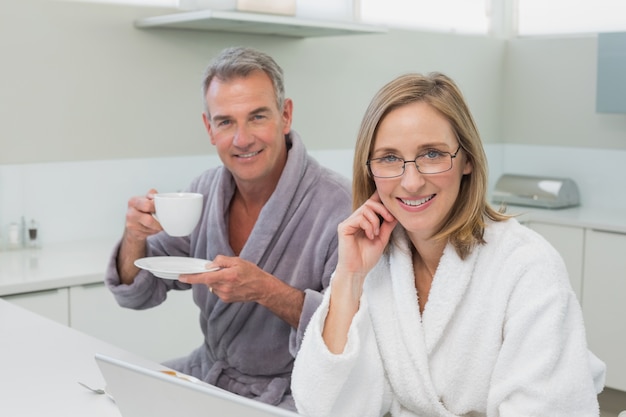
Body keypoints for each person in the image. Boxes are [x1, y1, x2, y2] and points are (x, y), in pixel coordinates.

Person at [291, 72, 606, 416]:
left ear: (467, 159)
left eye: (431, 154)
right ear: (369, 170)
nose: (411, 182)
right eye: (390, 158)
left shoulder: (527, 266)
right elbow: (324, 405)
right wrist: (349, 277)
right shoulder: (375, 264)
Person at [104, 46, 352, 410]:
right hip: (211, 373)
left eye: (257, 117)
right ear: (209, 128)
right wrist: (134, 238)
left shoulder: (339, 205)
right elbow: (138, 294)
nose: (242, 139)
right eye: (225, 122)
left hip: (297, 392)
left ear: (285, 116)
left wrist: (266, 290)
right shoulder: (202, 191)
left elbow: (352, 336)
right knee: (114, 399)